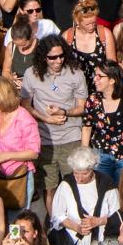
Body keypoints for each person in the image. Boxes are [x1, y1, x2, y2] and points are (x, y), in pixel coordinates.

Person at [20, 35, 88, 212]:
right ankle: (53, 225)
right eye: (53, 57)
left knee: (74, 186)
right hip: (45, 140)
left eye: (61, 55)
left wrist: (64, 112)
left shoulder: (76, 73)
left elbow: (82, 107)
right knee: (50, 189)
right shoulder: (31, 74)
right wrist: (46, 118)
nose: (58, 60)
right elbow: (25, 105)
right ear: (44, 57)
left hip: (71, 138)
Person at [0, 75, 41, 212]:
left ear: (1, 95)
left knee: (16, 219)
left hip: (17, 178)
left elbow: (33, 152)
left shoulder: (24, 119)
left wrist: (6, 156)